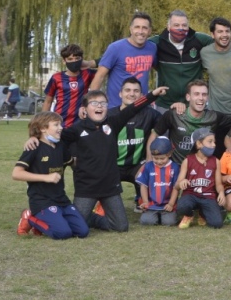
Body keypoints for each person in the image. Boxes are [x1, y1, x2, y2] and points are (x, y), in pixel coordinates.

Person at [59, 86, 168, 232]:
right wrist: (69, 160)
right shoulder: (76, 129)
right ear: (84, 109)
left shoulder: (113, 124)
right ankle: (85, 217)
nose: (100, 106)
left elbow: (134, 108)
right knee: (77, 228)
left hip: (110, 187)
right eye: (94, 103)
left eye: (103, 103)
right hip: (86, 187)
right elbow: (55, 141)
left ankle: (94, 219)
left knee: (121, 227)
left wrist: (152, 95)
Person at [13, 111, 89, 239]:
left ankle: (52, 219)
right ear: (43, 128)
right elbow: (16, 174)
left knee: (83, 232)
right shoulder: (34, 147)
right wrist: (46, 177)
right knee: (63, 233)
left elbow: (73, 163)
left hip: (61, 199)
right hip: (42, 201)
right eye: (56, 125)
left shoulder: (60, 146)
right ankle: (30, 218)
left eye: (61, 124)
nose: (61, 128)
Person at [150, 79, 231, 163]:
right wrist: (149, 160)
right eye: (196, 94)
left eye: (204, 94)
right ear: (188, 97)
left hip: (202, 171)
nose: (201, 98)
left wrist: (229, 143)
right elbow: (154, 134)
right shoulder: (174, 114)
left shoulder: (214, 116)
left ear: (207, 97)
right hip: (177, 168)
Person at [110, 76, 162, 211]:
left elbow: (168, 122)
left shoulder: (151, 114)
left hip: (138, 166)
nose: (132, 94)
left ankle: (141, 199)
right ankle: (104, 202)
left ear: (142, 95)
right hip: (113, 166)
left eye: (136, 91)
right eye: (127, 90)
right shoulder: (109, 115)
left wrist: (176, 107)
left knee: (151, 170)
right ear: (120, 93)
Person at [149, 9, 213, 112]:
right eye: (176, 25)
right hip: (165, 105)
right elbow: (137, 47)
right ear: (168, 26)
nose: (181, 29)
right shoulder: (157, 42)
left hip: (193, 105)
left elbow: (221, 45)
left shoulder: (200, 40)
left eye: (184, 25)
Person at [91, 11, 157, 109]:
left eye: (145, 28)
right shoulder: (115, 48)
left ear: (149, 31)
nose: (141, 31)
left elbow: (160, 69)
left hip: (141, 108)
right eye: (137, 27)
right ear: (131, 29)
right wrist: (90, 103)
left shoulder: (152, 48)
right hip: (117, 108)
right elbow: (100, 76)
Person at [199, 17, 231, 116]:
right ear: (212, 34)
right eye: (220, 31)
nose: (224, 35)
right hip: (214, 111)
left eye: (227, 31)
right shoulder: (205, 53)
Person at [174, 128, 225, 229]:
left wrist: (221, 193)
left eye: (214, 142)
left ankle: (203, 213)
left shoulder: (216, 161)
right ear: (199, 144)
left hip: (208, 196)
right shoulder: (188, 160)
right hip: (190, 195)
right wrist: (181, 182)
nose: (214, 145)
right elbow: (176, 186)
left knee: (217, 224)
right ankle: (189, 215)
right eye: (210, 142)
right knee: (182, 207)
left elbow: (218, 184)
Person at [43, 43, 98, 128]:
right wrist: (43, 122)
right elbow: (48, 101)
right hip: (60, 123)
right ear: (64, 61)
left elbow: (107, 63)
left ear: (82, 59)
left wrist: (89, 63)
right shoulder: (56, 78)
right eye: (70, 59)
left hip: (81, 122)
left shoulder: (88, 74)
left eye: (77, 58)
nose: (74, 61)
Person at [135, 136, 180, 226]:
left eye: (162, 158)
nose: (159, 162)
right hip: (152, 205)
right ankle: (154, 216)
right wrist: (145, 202)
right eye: (156, 158)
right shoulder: (148, 166)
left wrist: (171, 204)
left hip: (167, 205)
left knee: (169, 222)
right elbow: (143, 186)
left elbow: (176, 188)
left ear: (170, 154)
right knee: (146, 221)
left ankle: (165, 216)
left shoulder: (175, 167)